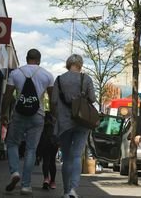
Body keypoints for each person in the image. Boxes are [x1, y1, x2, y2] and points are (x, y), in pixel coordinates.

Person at [1, 49, 54, 195]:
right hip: (38, 116)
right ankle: (25, 185)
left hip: (19, 114)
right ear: (39, 60)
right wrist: (54, 116)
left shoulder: (16, 73)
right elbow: (52, 98)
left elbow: (7, 95)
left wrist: (3, 113)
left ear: (26, 58)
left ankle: (14, 172)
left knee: (12, 143)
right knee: (31, 149)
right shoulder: (47, 75)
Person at [52, 54, 96, 198]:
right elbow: (93, 99)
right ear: (80, 65)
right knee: (77, 155)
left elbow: (53, 101)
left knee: (66, 157)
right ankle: (73, 190)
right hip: (82, 122)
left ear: (67, 64)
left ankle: (65, 191)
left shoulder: (59, 80)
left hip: (64, 123)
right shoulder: (86, 79)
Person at [37, 111, 59, 190]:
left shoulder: (41, 124)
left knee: (45, 161)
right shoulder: (54, 123)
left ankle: (46, 178)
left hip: (45, 143)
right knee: (52, 161)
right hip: (54, 144)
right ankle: (52, 182)